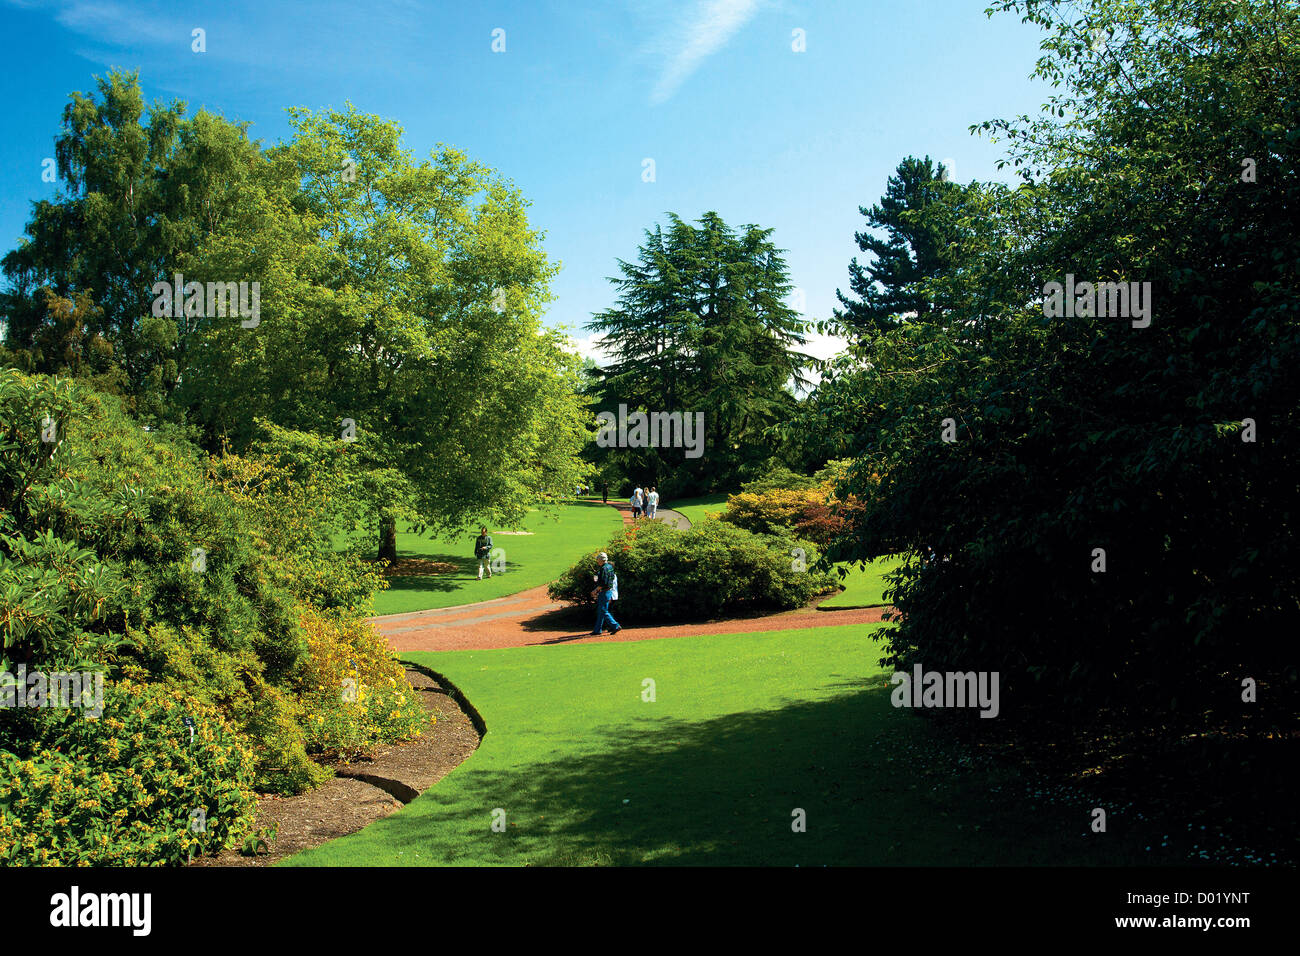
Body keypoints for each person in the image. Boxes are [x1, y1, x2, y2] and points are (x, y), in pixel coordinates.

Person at [589, 552, 622, 635]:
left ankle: (615, 625)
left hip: (604, 591)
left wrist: (595, 590)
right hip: (609, 591)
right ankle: (597, 630)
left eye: (598, 559)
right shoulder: (609, 566)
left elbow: (603, 583)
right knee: (601, 611)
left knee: (603, 610)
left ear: (601, 560)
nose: (597, 561)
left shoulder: (603, 568)